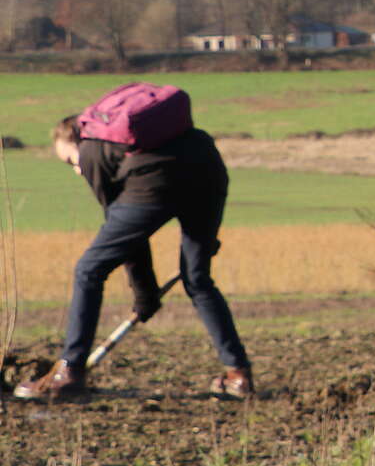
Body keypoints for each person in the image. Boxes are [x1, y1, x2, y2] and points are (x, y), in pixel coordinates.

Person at [15, 110, 252, 399]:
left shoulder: (91, 150)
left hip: (158, 179)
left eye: (70, 160)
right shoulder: (129, 139)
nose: (77, 169)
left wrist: (144, 295)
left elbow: (129, 240)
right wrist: (149, 292)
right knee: (196, 277)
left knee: (89, 269)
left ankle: (69, 373)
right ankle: (238, 375)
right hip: (207, 166)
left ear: (78, 141)